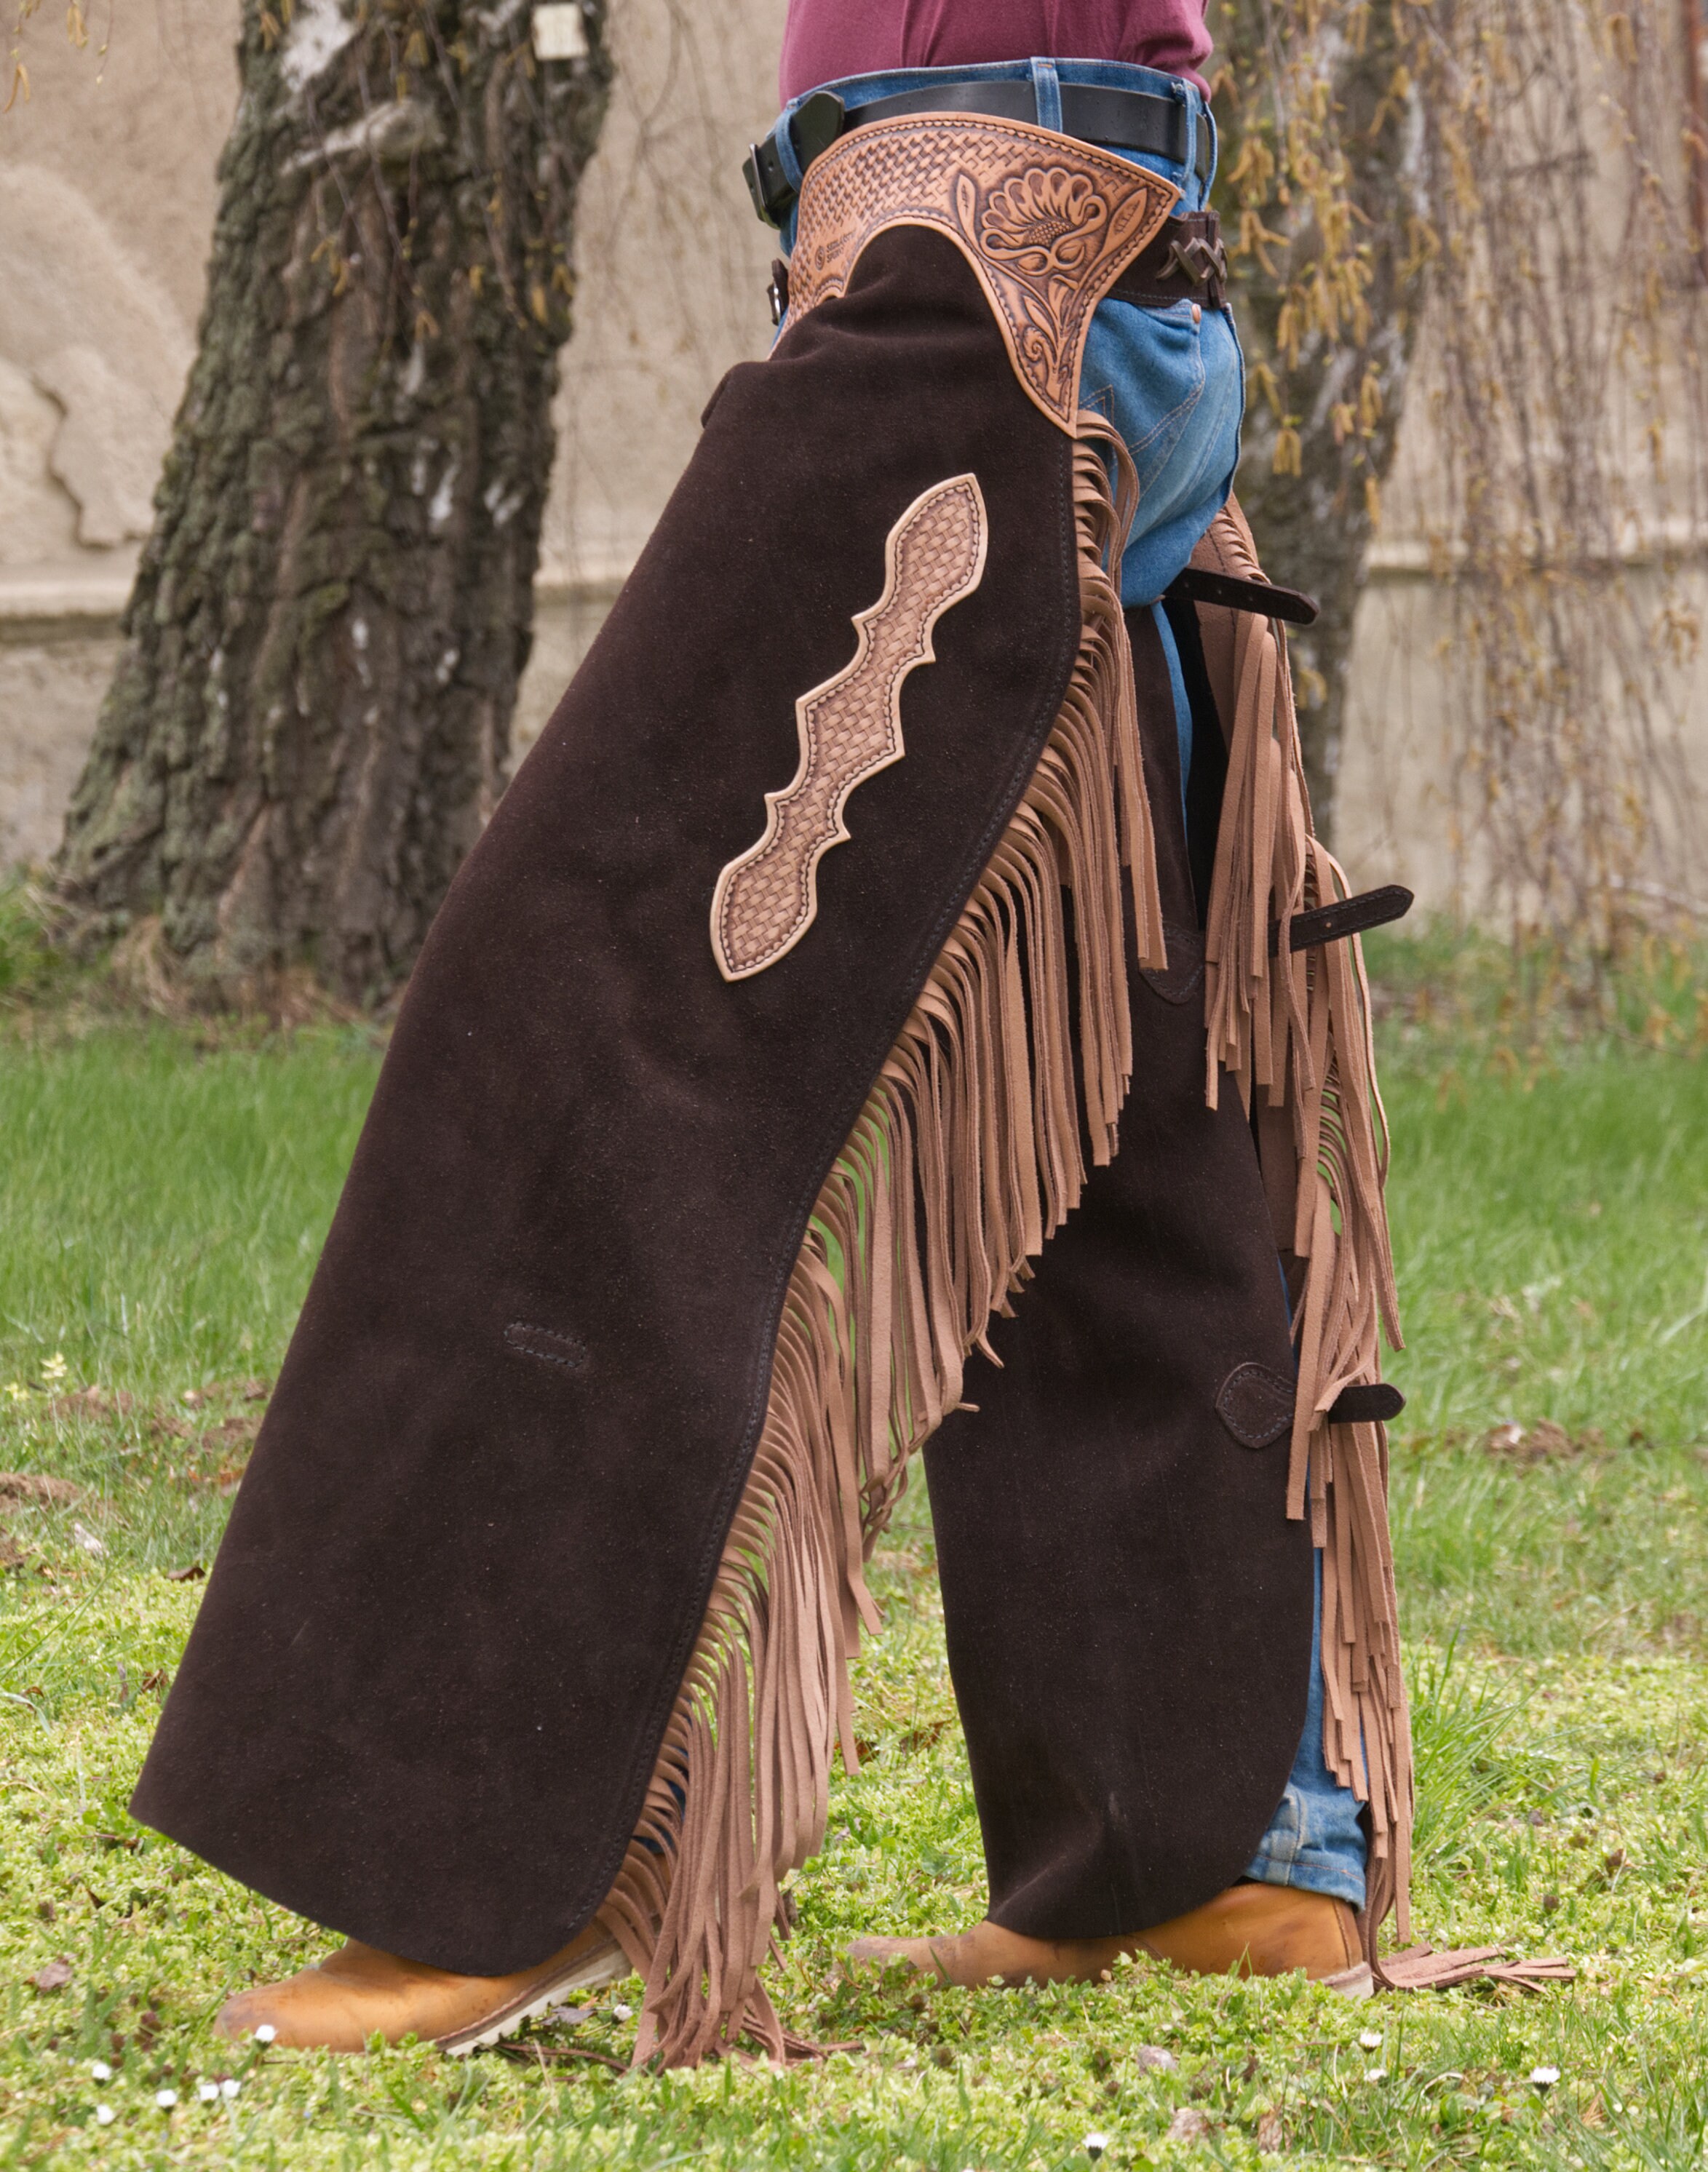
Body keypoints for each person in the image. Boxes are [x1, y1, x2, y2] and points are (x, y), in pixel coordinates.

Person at [130, 0, 1426, 2065]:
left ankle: (485, 1855)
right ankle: (1213, 1846)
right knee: (1098, 1025)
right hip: (1026, 247)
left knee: (597, 995)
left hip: (991, 264)